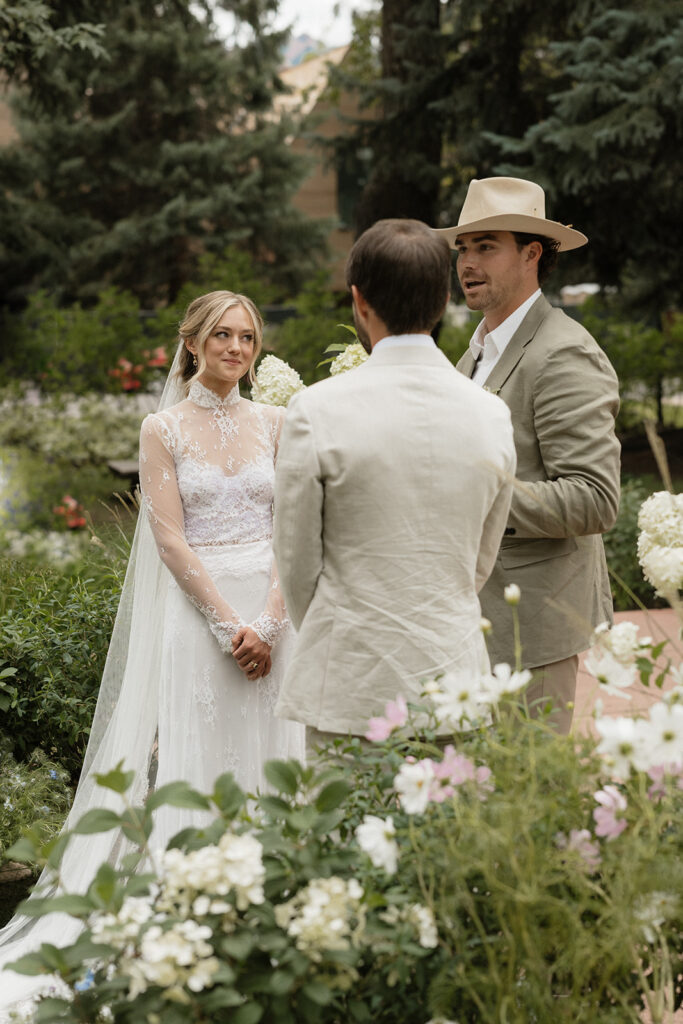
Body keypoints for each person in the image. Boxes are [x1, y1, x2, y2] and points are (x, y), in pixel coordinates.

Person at [0, 290, 304, 1013]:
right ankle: (189, 922)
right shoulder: (162, 427)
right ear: (192, 343)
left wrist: (268, 621)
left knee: (275, 754)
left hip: (274, 614)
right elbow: (169, 537)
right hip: (202, 625)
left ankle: (280, 910)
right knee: (200, 760)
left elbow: (296, 528)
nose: (236, 348)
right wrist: (226, 624)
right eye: (222, 335)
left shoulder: (280, 424)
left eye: (248, 337)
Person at [273, 218, 517, 744]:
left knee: (342, 826)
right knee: (449, 826)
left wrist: (337, 626)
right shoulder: (491, 414)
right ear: (442, 299)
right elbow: (480, 559)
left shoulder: (316, 410)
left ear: (359, 301)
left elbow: (296, 564)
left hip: (348, 681)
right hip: (453, 675)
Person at [437, 176, 620, 733]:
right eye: (463, 247)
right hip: (474, 618)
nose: (468, 262)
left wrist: (475, 496)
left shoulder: (563, 352)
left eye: (486, 245)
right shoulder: (478, 347)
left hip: (534, 626)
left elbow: (594, 499)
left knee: (524, 807)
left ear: (532, 253)